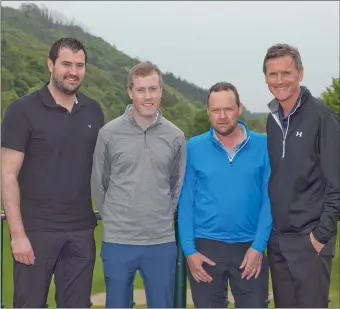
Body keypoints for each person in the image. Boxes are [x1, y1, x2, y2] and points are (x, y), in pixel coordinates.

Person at [1, 37, 104, 308]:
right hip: (36, 233)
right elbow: (7, 175)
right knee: (30, 304)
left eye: (79, 65)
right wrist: (17, 235)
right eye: (66, 64)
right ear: (51, 65)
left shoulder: (93, 111)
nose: (73, 71)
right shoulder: (21, 111)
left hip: (81, 231)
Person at [91, 61, 186, 308]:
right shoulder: (109, 134)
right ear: (130, 92)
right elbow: (99, 183)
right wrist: (113, 220)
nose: (147, 96)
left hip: (160, 241)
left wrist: (161, 216)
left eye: (153, 89)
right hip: (118, 240)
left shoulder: (175, 136)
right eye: (141, 90)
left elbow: (176, 185)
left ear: (160, 92)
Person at [178, 82, 272, 308]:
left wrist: (259, 246)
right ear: (208, 112)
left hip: (249, 248)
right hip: (206, 249)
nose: (222, 116)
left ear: (239, 108)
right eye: (215, 110)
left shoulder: (264, 145)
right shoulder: (194, 147)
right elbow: (186, 201)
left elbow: (270, 200)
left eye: (228, 109)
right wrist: (190, 251)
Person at [264, 43, 340, 308]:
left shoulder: (322, 117)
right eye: (273, 74)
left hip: (310, 240)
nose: (279, 80)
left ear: (300, 73)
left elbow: (337, 184)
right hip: (279, 240)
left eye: (286, 73)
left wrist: (321, 234)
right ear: (266, 78)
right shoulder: (272, 121)